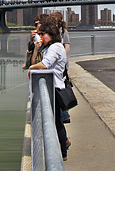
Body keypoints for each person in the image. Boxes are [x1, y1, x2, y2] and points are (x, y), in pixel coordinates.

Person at [27, 19, 70, 160]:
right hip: (53, 87)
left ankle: (63, 152)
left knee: (57, 123)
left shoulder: (56, 47)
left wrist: (31, 69)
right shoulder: (51, 47)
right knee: (56, 122)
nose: (41, 37)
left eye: (42, 34)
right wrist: (37, 48)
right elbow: (35, 60)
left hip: (56, 88)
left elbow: (44, 65)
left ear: (50, 34)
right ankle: (62, 148)